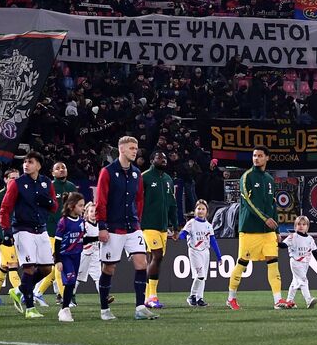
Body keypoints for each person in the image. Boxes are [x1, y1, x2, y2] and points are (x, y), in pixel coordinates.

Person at [95, 135, 158, 321]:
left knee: (142, 263)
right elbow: (101, 200)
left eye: (136, 148)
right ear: (121, 149)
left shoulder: (136, 172)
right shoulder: (107, 172)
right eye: (131, 148)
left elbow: (139, 199)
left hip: (132, 226)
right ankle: (105, 309)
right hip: (113, 227)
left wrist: (137, 220)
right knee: (109, 268)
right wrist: (102, 226)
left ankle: (140, 307)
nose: (135, 151)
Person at [226, 147, 288, 310]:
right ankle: (231, 297)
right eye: (254, 156)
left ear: (267, 158)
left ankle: (278, 300)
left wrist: (277, 231)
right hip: (249, 229)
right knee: (242, 263)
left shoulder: (269, 179)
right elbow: (248, 202)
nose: (256, 158)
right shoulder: (246, 177)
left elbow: (272, 206)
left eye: (260, 156)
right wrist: (264, 218)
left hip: (267, 232)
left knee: (273, 262)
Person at [0, 151, 58, 319]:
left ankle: (19, 290)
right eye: (25, 161)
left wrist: (46, 201)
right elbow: (5, 208)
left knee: (47, 267)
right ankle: (30, 308)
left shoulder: (46, 183)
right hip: (22, 229)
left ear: (38, 165)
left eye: (30, 162)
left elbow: (54, 207)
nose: (26, 164)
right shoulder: (16, 183)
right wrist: (6, 230)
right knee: (30, 268)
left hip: (41, 229)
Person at [35, 161, 78, 306]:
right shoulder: (50, 186)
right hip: (52, 232)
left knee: (56, 268)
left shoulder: (72, 187)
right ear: (52, 173)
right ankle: (64, 297)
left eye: (63, 167)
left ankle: (38, 292)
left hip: (67, 232)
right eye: (58, 168)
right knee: (60, 266)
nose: (61, 170)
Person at [140, 151, 178, 310]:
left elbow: (172, 204)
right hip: (148, 225)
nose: (163, 160)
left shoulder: (168, 179)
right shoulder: (144, 177)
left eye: (164, 158)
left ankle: (147, 297)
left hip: (163, 227)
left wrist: (175, 226)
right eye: (159, 157)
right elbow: (137, 201)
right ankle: (153, 296)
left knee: (153, 259)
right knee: (157, 255)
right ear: (151, 160)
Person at [0, 167, 23, 306]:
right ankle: (22, 294)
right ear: (5, 179)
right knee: (13, 264)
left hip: (17, 233)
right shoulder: (0, 195)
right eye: (12, 178)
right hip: (2, 235)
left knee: (5, 266)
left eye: (17, 178)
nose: (15, 181)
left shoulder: (21, 194)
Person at [180, 199, 222, 307]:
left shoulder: (208, 225)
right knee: (201, 275)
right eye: (198, 208)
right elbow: (183, 233)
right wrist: (179, 237)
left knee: (203, 277)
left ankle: (199, 298)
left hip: (205, 252)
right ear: (195, 211)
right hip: (194, 251)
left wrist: (219, 256)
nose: (201, 211)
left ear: (206, 212)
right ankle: (192, 296)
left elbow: (213, 241)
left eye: (203, 209)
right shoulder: (191, 223)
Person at [55, 192, 87, 322]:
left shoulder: (81, 221)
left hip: (77, 255)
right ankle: (64, 309)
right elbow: (57, 242)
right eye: (80, 206)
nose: (83, 208)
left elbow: (82, 239)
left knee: (72, 282)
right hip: (65, 256)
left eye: (83, 205)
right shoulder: (64, 222)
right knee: (70, 281)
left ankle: (65, 308)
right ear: (71, 206)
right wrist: (57, 260)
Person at [283, 214, 317, 309]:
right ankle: (308, 300)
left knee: (295, 281)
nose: (301, 226)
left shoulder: (310, 239)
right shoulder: (293, 236)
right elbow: (284, 245)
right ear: (295, 226)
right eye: (299, 224)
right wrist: (277, 242)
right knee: (303, 280)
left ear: (307, 226)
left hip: (305, 264)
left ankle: (289, 301)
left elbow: (314, 251)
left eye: (304, 224)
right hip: (296, 262)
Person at [76, 201, 105, 306]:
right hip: (85, 254)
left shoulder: (100, 226)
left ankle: (104, 297)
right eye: (91, 211)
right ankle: (70, 297)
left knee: (98, 277)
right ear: (86, 213)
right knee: (77, 278)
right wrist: (98, 238)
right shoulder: (84, 225)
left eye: (95, 211)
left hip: (95, 255)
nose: (93, 213)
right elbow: (84, 240)